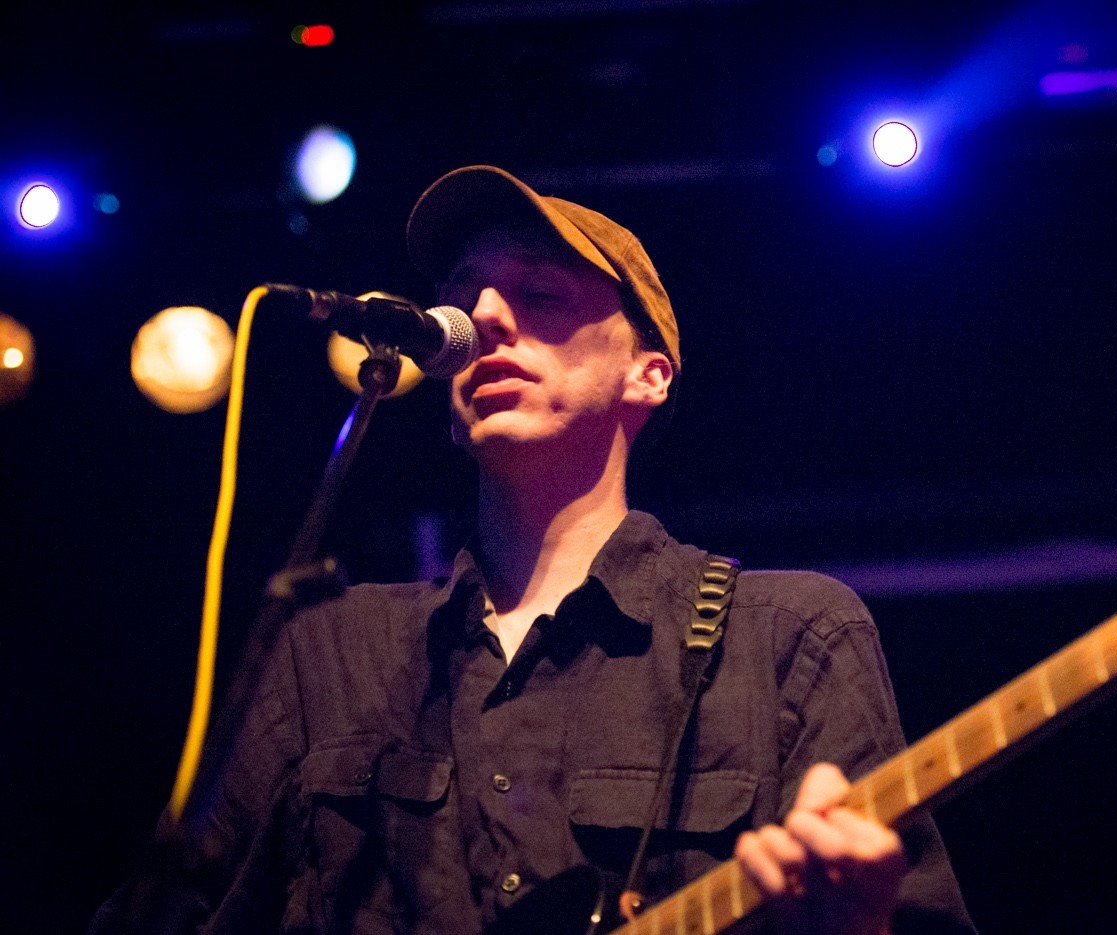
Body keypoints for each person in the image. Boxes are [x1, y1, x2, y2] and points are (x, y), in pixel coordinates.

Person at [90, 165, 976, 935]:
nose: (483, 316)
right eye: (466, 294)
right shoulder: (329, 651)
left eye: (540, 295)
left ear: (649, 373)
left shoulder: (788, 636)